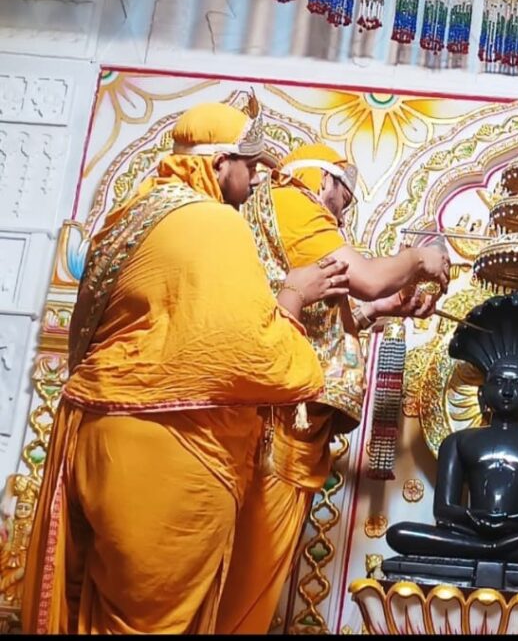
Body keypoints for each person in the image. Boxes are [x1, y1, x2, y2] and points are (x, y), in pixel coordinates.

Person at [21, 101, 347, 634]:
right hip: (168, 445)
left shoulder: (130, 217)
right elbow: (251, 354)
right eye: (250, 166)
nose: (258, 179)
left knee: (97, 610)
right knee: (148, 623)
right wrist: (292, 296)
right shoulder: (213, 224)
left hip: (94, 432)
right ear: (219, 164)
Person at [216, 142, 451, 635]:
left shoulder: (277, 216)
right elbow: (367, 278)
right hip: (280, 419)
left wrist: (380, 311)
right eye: (344, 198)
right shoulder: (294, 201)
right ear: (325, 179)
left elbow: (326, 321)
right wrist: (418, 258)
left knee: (254, 570)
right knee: (251, 574)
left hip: (283, 416)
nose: (342, 214)